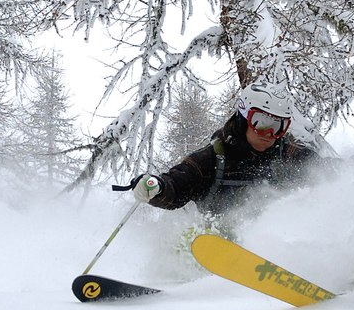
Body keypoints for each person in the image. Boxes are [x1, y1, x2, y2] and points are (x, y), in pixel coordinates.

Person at [131, 80, 319, 215]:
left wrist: (347, 174)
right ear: (243, 119)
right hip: (222, 245)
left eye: (278, 126)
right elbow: (178, 185)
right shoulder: (213, 158)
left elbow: (324, 171)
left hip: (278, 241)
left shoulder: (288, 155)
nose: (269, 133)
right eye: (260, 122)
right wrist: (159, 188)